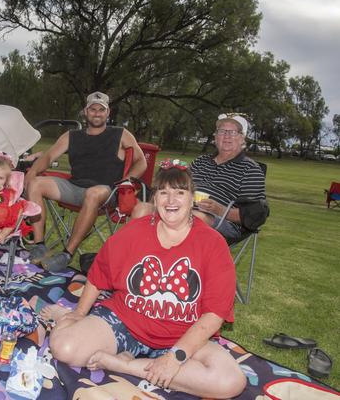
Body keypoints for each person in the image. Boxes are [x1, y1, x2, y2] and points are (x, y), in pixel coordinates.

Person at [41, 161, 246, 398]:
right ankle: (64, 316)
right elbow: (100, 273)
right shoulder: (134, 232)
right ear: (155, 199)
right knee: (64, 348)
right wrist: (78, 313)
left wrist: (175, 357)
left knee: (230, 382)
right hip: (126, 322)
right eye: (164, 193)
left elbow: (214, 314)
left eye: (180, 193)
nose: (171, 201)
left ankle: (126, 365)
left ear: (192, 199)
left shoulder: (213, 244)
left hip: (181, 336)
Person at [24, 91, 147, 272]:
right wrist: (32, 171)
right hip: (75, 187)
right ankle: (39, 244)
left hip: (106, 191)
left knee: (93, 193)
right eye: (92, 109)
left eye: (101, 110)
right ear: (85, 111)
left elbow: (141, 161)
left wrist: (127, 181)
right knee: (35, 183)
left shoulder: (120, 134)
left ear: (108, 113)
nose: (97, 113)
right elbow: (49, 156)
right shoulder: (72, 136)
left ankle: (67, 253)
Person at [132, 113, 266, 242]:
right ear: (215, 137)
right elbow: (179, 185)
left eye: (232, 132)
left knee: (194, 217)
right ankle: (135, 259)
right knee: (142, 209)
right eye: (222, 131)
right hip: (179, 208)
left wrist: (220, 209)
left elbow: (255, 214)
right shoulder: (201, 161)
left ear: (242, 138)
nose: (226, 136)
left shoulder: (251, 169)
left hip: (219, 221)